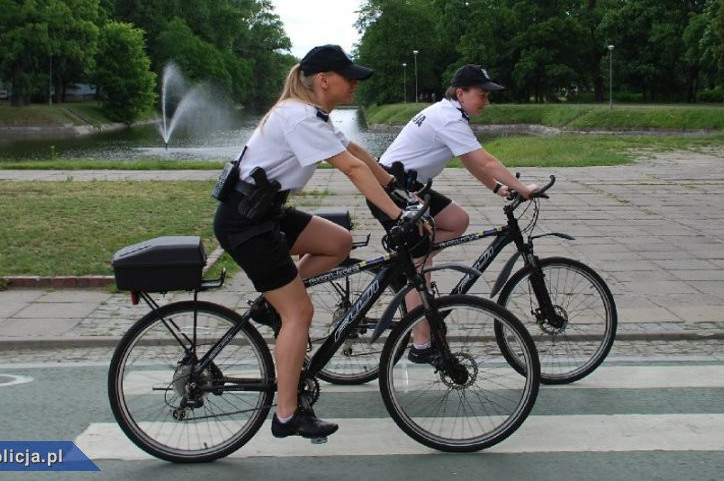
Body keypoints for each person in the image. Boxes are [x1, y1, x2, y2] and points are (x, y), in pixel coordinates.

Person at [213, 44, 406, 441]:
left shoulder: (311, 115)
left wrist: (393, 185)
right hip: (245, 223)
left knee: (338, 242)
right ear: (323, 80)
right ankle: (287, 414)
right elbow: (351, 168)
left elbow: (354, 150)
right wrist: (397, 216)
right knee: (300, 313)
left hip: (265, 212)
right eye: (348, 76)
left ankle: (274, 305)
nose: (355, 83)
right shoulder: (298, 117)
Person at [370, 64, 541, 362]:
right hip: (392, 191)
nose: (486, 101)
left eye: (488, 96)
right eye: (482, 95)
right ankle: (421, 344)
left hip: (412, 188)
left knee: (457, 220)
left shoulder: (451, 114)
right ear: (460, 92)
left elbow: (471, 161)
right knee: (419, 266)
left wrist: (499, 189)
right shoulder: (447, 118)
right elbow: (485, 161)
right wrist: (522, 187)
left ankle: (414, 264)